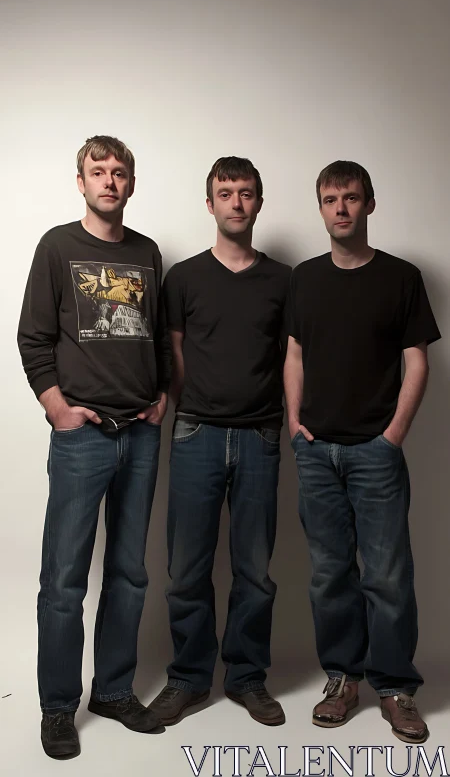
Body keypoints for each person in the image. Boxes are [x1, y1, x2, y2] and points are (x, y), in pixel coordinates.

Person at [17, 135, 171, 759]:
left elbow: (157, 334)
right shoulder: (58, 246)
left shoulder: (148, 253)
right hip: (83, 438)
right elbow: (33, 336)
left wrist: (162, 396)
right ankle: (59, 707)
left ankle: (112, 690)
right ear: (80, 181)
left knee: (130, 574)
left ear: (132, 184)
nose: (109, 181)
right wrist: (57, 407)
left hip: (140, 432)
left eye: (120, 172)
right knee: (64, 579)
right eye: (97, 171)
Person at [284, 160, 440, 743]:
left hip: (376, 453)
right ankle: (343, 679)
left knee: (388, 576)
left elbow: (417, 360)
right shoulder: (304, 278)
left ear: (369, 205)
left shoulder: (401, 278)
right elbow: (294, 354)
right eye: (330, 199)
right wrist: (296, 424)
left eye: (351, 198)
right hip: (317, 452)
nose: (341, 208)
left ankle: (396, 687)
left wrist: (393, 436)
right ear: (320, 209)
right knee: (329, 576)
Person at [148, 156, 290, 727]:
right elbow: (175, 352)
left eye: (246, 192)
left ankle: (247, 677)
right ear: (210, 204)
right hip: (197, 431)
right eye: (225, 192)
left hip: (260, 434)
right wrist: (193, 407)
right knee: (187, 567)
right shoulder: (183, 277)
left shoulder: (284, 280)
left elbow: (289, 357)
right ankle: (187, 678)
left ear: (259, 203)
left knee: (255, 569)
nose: (236, 201)